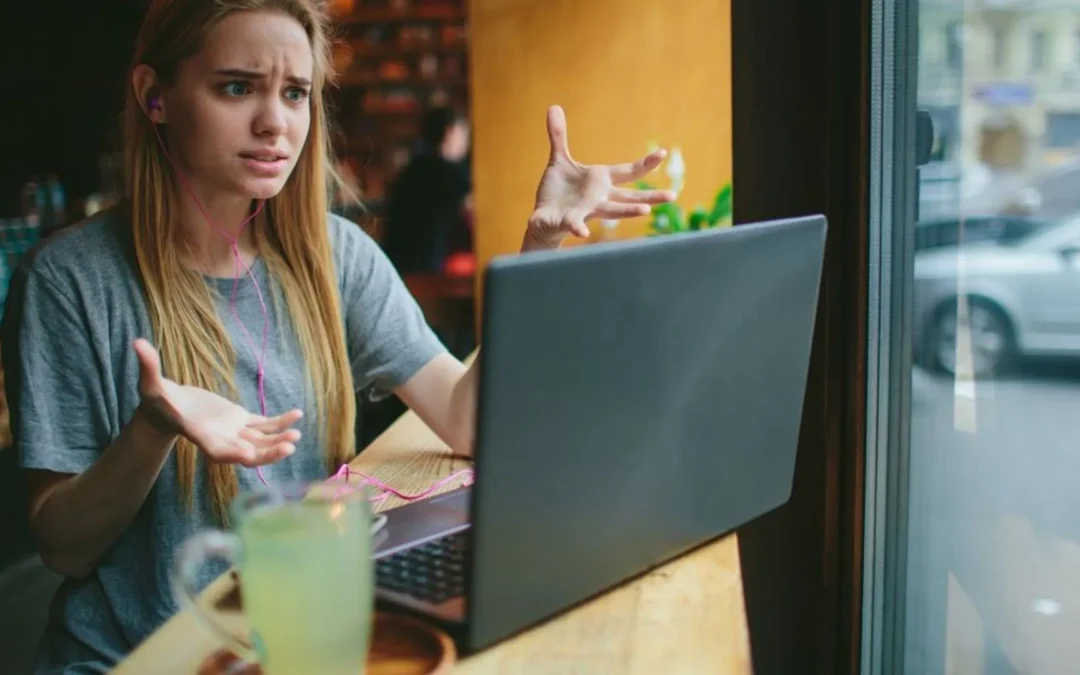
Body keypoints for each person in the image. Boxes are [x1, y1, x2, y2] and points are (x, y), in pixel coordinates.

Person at [0, 1, 675, 672]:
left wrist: (541, 242)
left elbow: (467, 417)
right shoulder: (68, 280)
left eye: (295, 93)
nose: (275, 122)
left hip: (290, 642)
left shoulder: (336, 256)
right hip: (136, 659)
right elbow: (64, 548)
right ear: (155, 96)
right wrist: (151, 429)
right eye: (236, 87)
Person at [382, 105, 473, 274]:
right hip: (427, 266)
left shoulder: (413, 168)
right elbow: (475, 212)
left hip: (396, 262)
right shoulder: (449, 172)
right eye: (464, 133)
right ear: (450, 132)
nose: (467, 141)